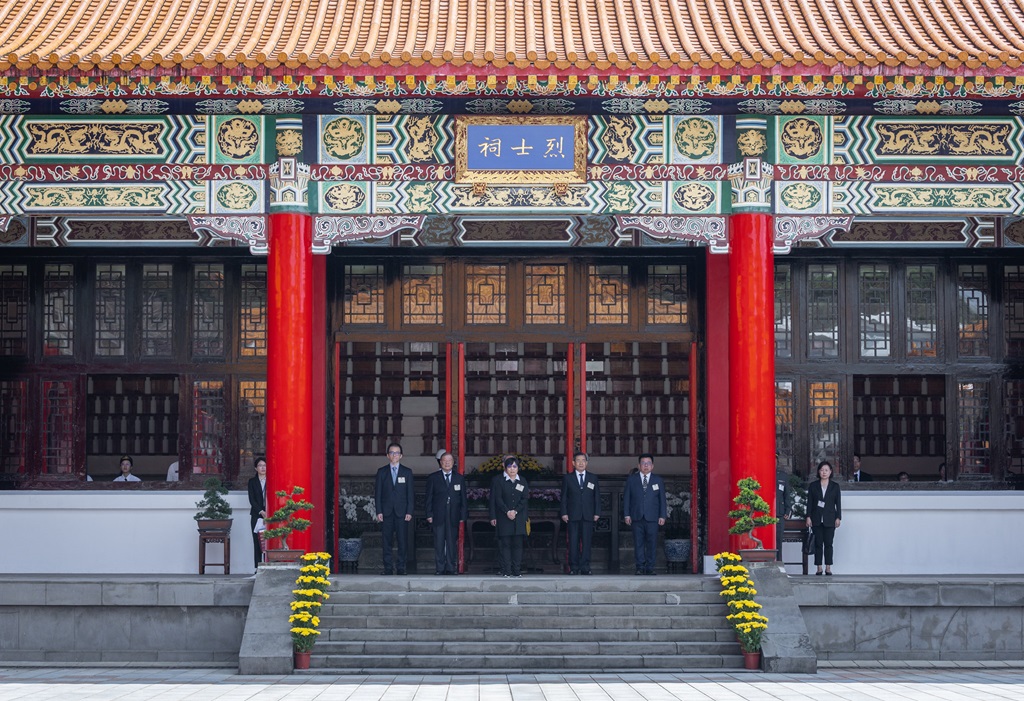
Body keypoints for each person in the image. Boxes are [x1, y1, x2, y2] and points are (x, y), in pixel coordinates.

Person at [622, 453, 666, 575]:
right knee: (638, 542)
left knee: (652, 543)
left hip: (653, 517)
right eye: (643, 463)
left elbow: (662, 499)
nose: (646, 466)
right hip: (636, 516)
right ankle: (640, 566)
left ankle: (650, 567)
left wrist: (662, 515)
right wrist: (627, 514)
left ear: (652, 466)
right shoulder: (632, 479)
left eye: (648, 463)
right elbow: (627, 498)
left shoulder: (658, 480)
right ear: (639, 465)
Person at [374, 442, 414, 575]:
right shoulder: (381, 472)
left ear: (401, 455)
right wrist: (379, 511)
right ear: (387, 455)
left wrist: (409, 511)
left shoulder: (407, 472)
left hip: (402, 512)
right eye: (392, 452)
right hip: (386, 512)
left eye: (397, 453)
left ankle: (401, 568)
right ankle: (388, 568)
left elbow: (410, 494)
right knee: (387, 541)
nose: (394, 455)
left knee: (402, 541)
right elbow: (378, 493)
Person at [424, 451, 467, 575]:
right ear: (440, 462)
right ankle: (440, 568)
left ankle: (450, 567)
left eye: (449, 461)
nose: (447, 463)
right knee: (439, 542)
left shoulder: (459, 478)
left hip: (454, 514)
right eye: (444, 461)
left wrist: (463, 516)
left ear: (453, 463)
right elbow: (429, 498)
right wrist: (429, 514)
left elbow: (463, 498)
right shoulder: (433, 477)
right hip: (438, 514)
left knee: (451, 542)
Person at [560, 451, 600, 575]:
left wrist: (597, 512)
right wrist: (564, 513)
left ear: (586, 463)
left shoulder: (593, 478)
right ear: (573, 463)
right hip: (573, 514)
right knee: (573, 542)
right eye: (578, 461)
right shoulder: (568, 478)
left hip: (588, 514)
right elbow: (564, 497)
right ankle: (574, 567)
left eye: (583, 461)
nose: (581, 463)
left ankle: (585, 567)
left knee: (587, 542)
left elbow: (596, 497)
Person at [489, 456, 529, 577]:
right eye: (509, 466)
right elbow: (497, 499)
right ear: (505, 468)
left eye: (515, 466)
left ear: (518, 468)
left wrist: (515, 511)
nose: (512, 469)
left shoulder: (522, 481)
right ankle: (507, 570)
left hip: (519, 517)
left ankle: (516, 570)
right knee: (505, 544)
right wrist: (507, 511)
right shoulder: (500, 481)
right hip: (503, 517)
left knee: (518, 544)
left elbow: (524, 498)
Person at [806, 460, 842, 575]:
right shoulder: (813, 486)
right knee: (818, 544)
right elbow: (810, 503)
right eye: (822, 470)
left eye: (826, 470)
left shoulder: (835, 487)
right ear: (818, 472)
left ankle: (828, 567)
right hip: (816, 519)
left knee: (828, 544)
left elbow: (838, 503)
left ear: (830, 472)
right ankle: (819, 568)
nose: (824, 472)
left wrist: (838, 517)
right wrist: (808, 516)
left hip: (830, 519)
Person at [247, 456, 268, 570]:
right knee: (257, 542)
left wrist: (268, 512)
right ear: (256, 468)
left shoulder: (272, 480)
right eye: (260, 465)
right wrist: (261, 511)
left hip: (270, 516)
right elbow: (252, 499)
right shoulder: (252, 482)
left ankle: (269, 566)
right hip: (256, 515)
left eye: (264, 465)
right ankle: (257, 568)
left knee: (270, 542)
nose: (263, 468)